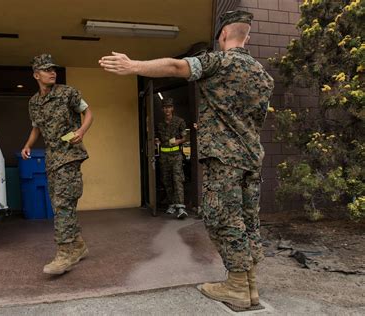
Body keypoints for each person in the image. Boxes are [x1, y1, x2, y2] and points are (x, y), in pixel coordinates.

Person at [99, 11, 274, 309]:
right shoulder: (262, 74)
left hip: (224, 158)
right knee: (247, 220)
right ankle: (249, 286)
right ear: (249, 37)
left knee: (223, 218)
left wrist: (133, 66)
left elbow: (176, 66)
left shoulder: (218, 61)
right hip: (251, 157)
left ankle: (236, 287)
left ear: (222, 36)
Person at [21, 53, 94, 275]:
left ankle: (65, 253)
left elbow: (88, 113)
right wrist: (28, 145)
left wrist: (81, 131)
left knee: (63, 203)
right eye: (46, 69)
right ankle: (79, 245)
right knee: (59, 204)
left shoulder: (68, 92)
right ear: (36, 75)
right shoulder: (34, 102)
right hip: (52, 157)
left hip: (70, 154)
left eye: (53, 69)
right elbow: (37, 127)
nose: (52, 72)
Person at [155, 97, 188, 219]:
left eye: (169, 107)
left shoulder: (179, 121)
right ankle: (172, 204)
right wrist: (156, 140)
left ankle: (181, 207)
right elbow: (157, 137)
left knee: (177, 179)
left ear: (172, 108)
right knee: (166, 180)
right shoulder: (159, 124)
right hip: (164, 156)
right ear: (162, 109)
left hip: (176, 156)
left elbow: (185, 137)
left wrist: (178, 141)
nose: (167, 109)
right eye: (165, 107)